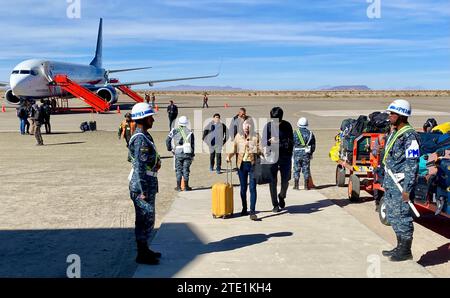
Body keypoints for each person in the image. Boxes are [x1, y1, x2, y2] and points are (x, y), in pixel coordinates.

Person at [381, 99, 420, 262]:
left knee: (402, 216)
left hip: (401, 184)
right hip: (391, 182)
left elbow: (413, 163)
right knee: (393, 215)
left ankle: (405, 250)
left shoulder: (410, 135)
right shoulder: (394, 132)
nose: (389, 116)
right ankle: (399, 246)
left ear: (402, 115)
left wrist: (407, 189)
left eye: (393, 113)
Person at [128, 102, 161, 265]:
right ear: (143, 118)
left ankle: (145, 249)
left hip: (147, 183)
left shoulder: (144, 136)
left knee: (148, 218)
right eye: (150, 117)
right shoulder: (140, 138)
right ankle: (141, 254)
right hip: (143, 186)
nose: (153, 120)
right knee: (143, 219)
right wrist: (142, 190)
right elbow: (139, 166)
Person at [227, 119, 262, 220]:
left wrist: (252, 146)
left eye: (248, 126)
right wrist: (229, 156)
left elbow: (261, 151)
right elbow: (234, 149)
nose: (246, 128)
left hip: (253, 165)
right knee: (243, 189)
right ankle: (244, 208)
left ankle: (252, 212)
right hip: (241, 165)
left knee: (252, 188)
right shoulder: (238, 136)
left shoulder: (256, 136)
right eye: (245, 126)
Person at [262, 107, 293, 212]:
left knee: (285, 181)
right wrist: (270, 142)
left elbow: (290, 143)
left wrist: (278, 142)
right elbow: (264, 142)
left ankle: (282, 196)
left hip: (285, 157)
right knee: (272, 181)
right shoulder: (268, 127)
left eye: (277, 122)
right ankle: (275, 204)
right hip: (272, 157)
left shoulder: (287, 126)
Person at [166, 116, 195, 191]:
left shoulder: (174, 131)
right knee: (186, 169)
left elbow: (167, 140)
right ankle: (186, 186)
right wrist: (192, 155)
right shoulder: (190, 132)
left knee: (178, 169)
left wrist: (170, 148)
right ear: (186, 123)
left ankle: (178, 187)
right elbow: (192, 145)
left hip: (178, 152)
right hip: (187, 152)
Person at [293, 117, 316, 190]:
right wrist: (311, 152)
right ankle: (306, 186)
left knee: (296, 169)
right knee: (306, 169)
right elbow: (313, 145)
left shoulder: (295, 133)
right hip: (306, 153)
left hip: (297, 153)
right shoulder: (310, 134)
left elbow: (291, 143)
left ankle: (296, 185)